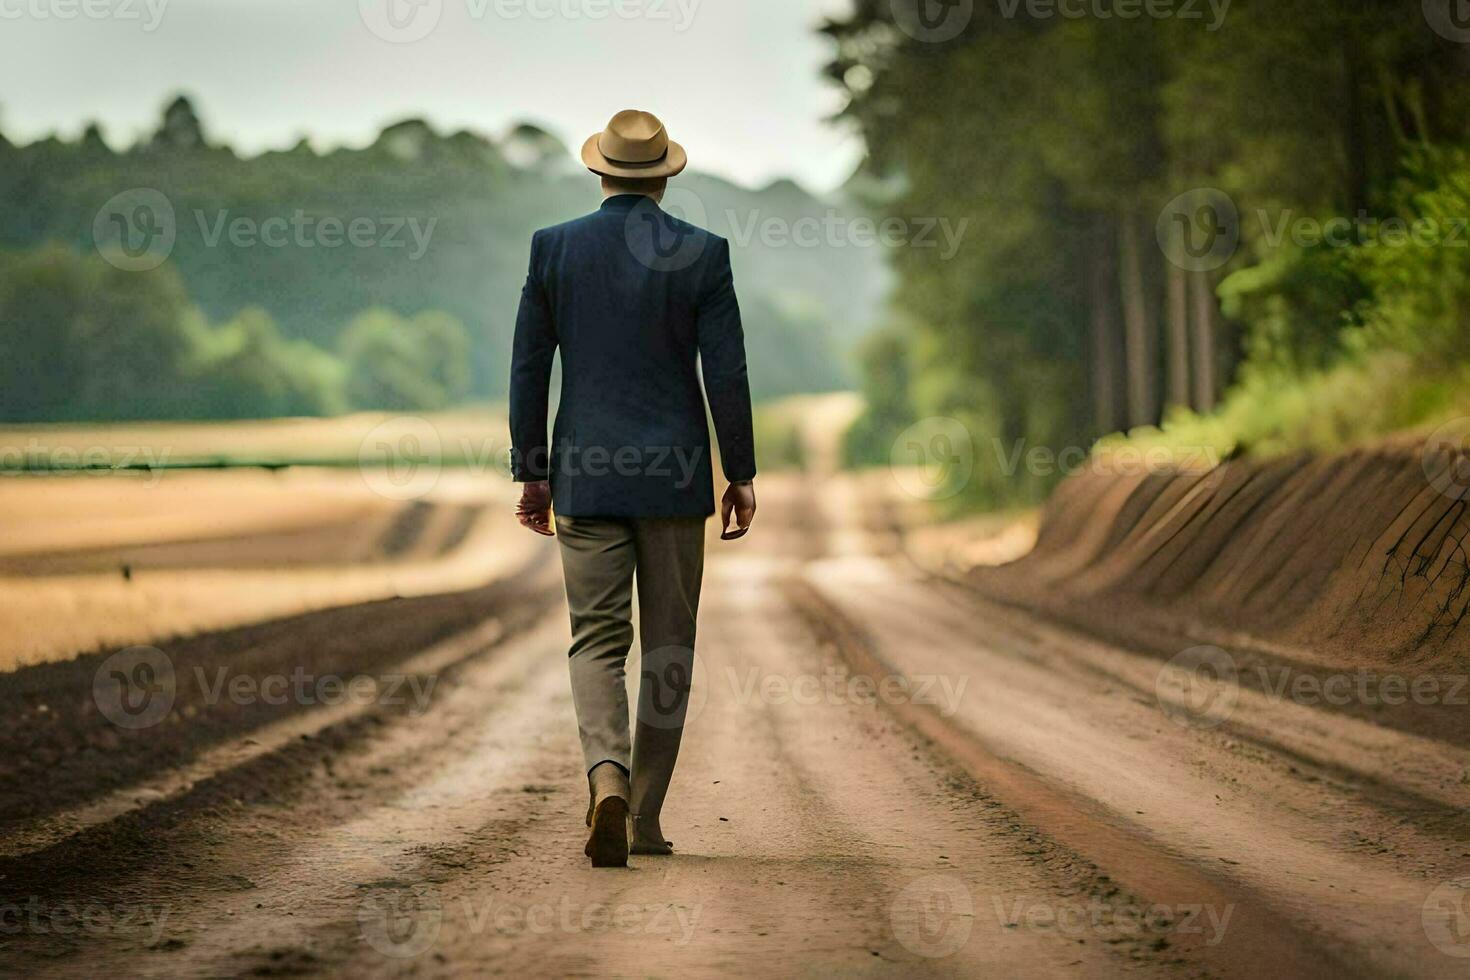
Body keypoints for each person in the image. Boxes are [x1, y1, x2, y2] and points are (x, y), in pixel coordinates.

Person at [508, 109, 757, 867]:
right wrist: (738, 471)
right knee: (669, 650)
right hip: (676, 479)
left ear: (602, 171)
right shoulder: (704, 254)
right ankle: (643, 817)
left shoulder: (553, 249)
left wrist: (533, 470)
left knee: (596, 640)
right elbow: (728, 371)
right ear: (664, 177)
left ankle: (606, 777)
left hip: (585, 473)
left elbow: (529, 366)